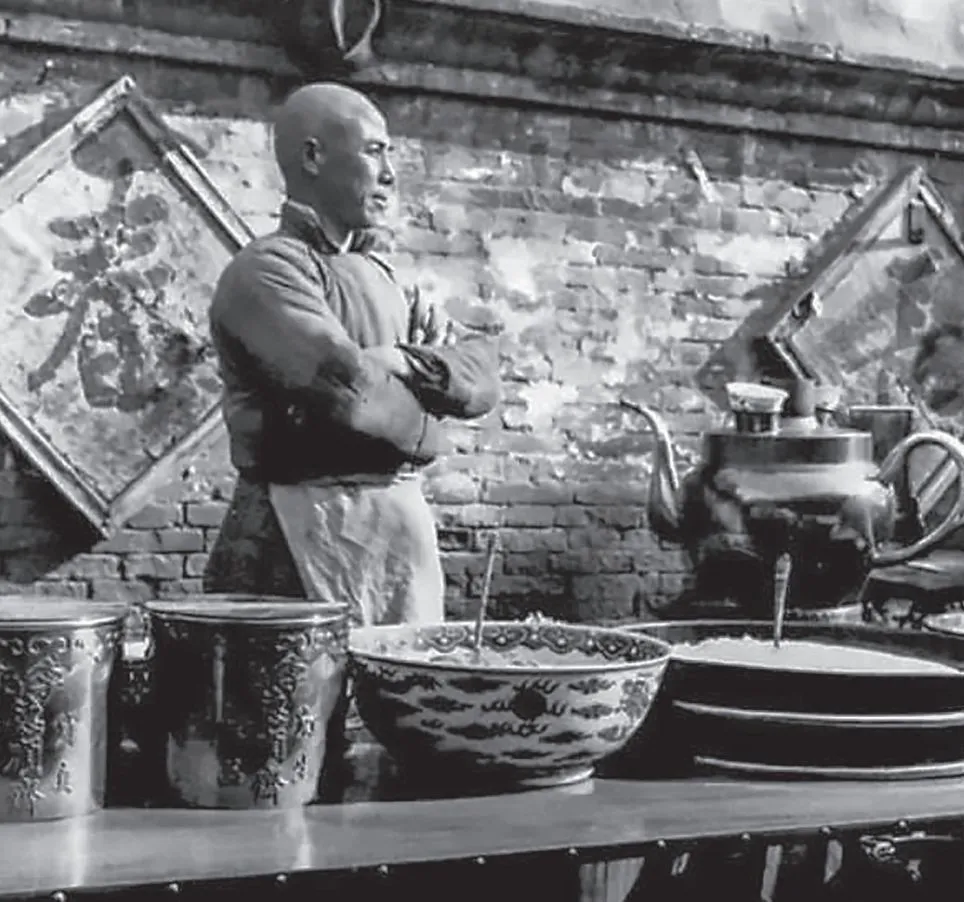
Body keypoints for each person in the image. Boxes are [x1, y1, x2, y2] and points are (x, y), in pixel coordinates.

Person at [204, 82, 500, 627]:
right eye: (373, 152)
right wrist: (433, 426)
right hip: (292, 541)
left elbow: (482, 375)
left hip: (395, 540)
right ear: (313, 157)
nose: (389, 174)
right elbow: (351, 397)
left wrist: (404, 362)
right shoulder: (267, 271)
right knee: (301, 683)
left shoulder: (389, 278)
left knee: (400, 677)